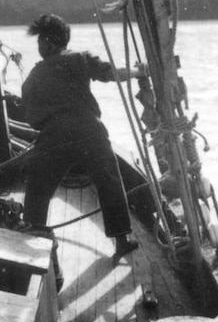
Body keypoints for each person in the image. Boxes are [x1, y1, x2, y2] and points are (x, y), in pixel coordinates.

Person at [20, 13, 142, 257]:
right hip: (91, 130)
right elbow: (110, 74)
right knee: (110, 180)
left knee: (38, 184)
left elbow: (31, 113)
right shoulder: (81, 59)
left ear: (48, 41)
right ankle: (121, 240)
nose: (39, 47)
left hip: (55, 134)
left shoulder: (34, 75)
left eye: (40, 41)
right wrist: (138, 73)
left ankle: (33, 234)